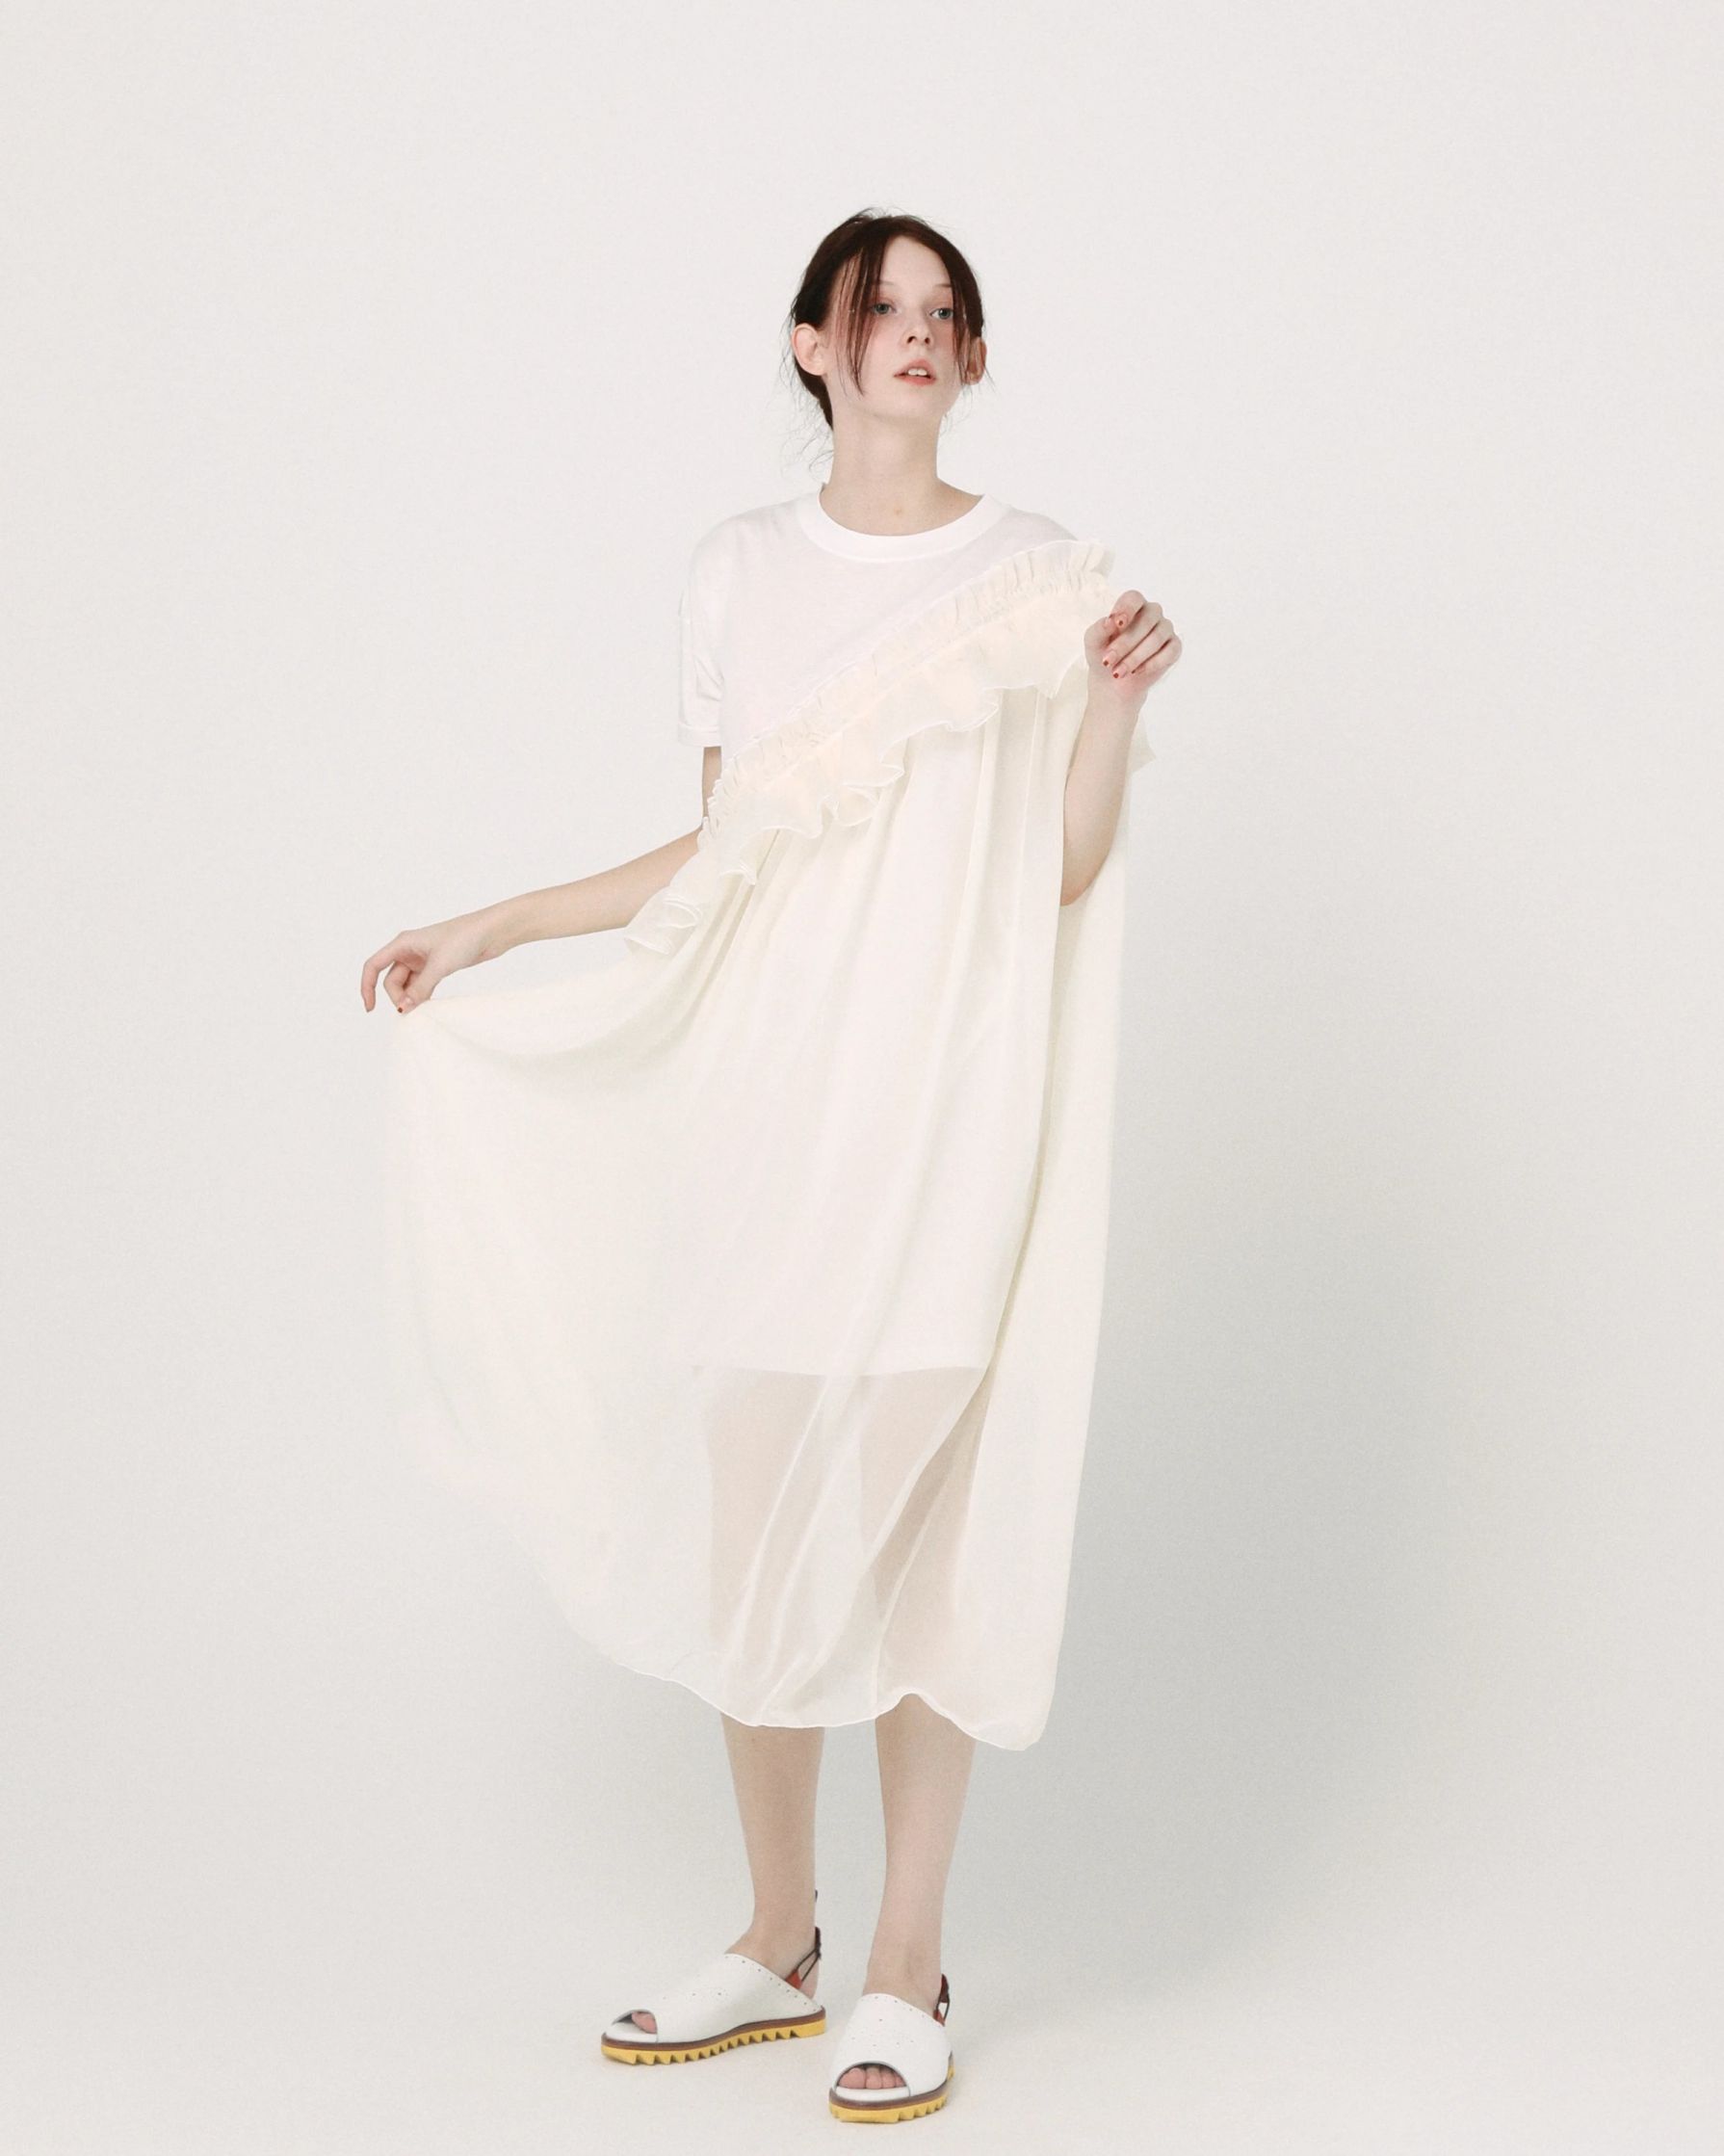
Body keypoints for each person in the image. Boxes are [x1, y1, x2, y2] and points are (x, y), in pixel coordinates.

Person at [361, 209, 1180, 2123]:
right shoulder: (737, 570)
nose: (916, 333)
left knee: (916, 1524)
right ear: (813, 343)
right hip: (770, 1104)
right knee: (759, 1526)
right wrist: (493, 926)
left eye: (945, 312)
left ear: (974, 356)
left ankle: (907, 1957)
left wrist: (1114, 709)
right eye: (880, 307)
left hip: (942, 1115)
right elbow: (722, 854)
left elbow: (1056, 870)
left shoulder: (1035, 573)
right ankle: (777, 1931)